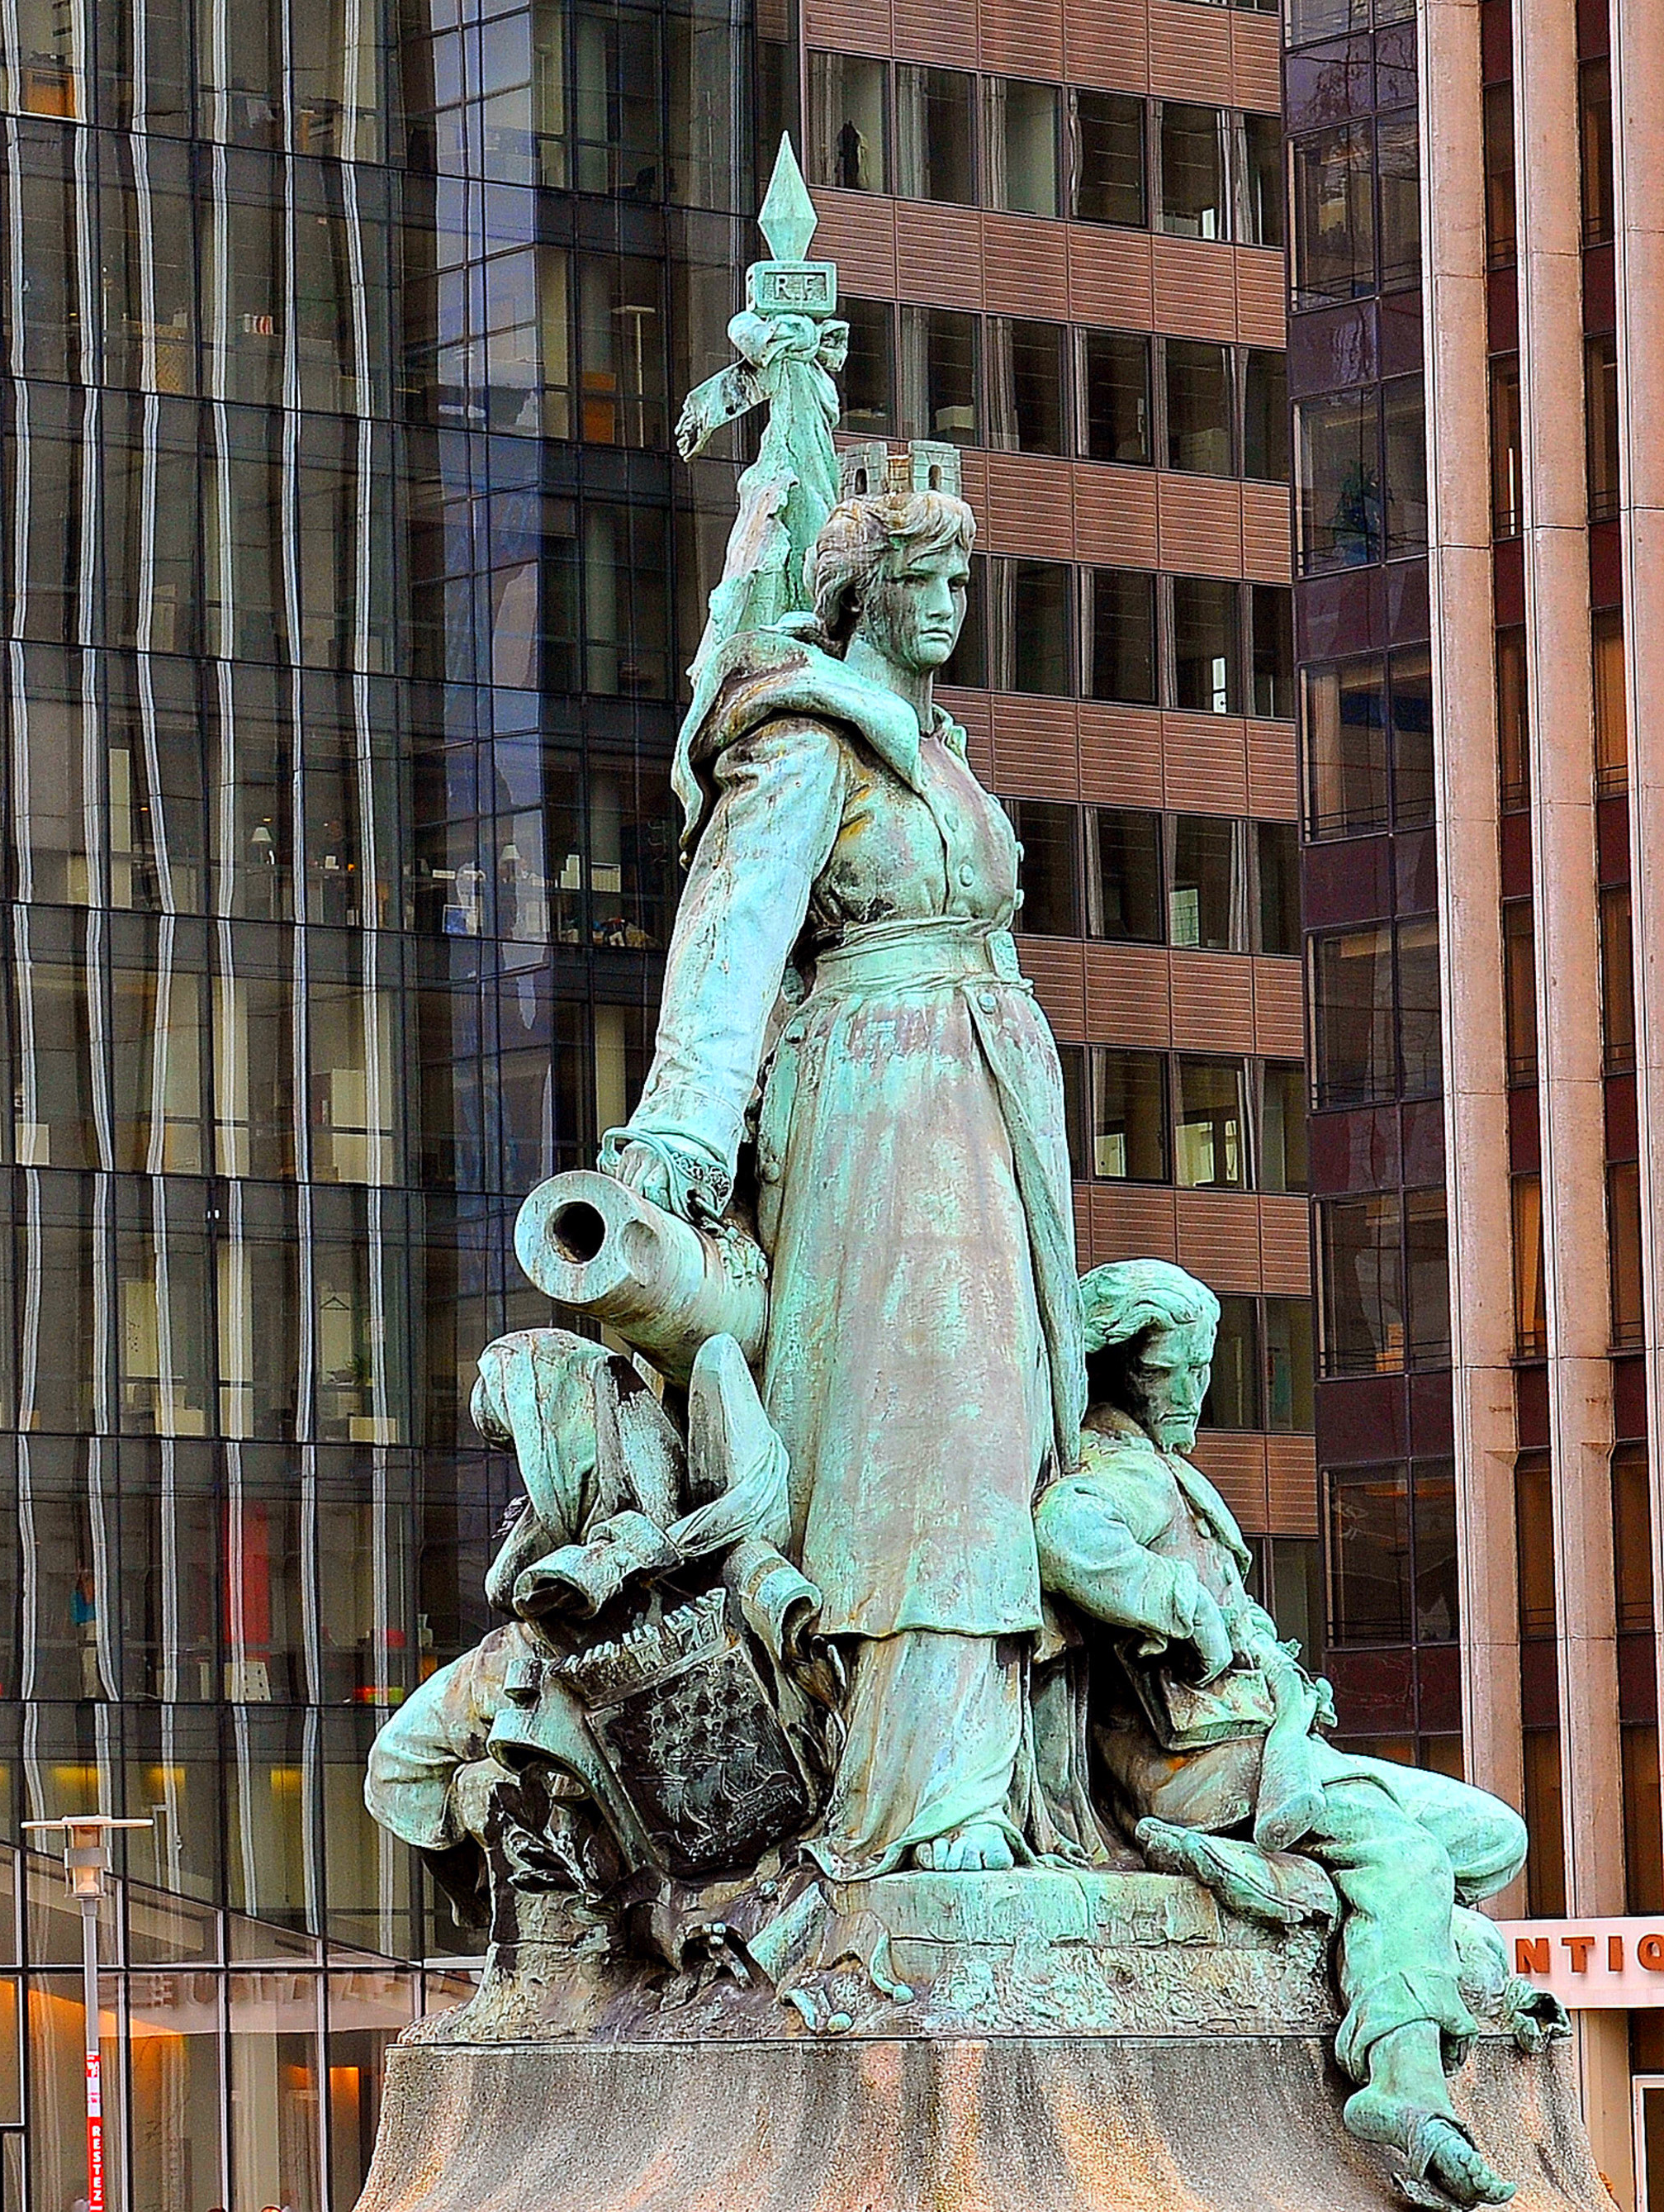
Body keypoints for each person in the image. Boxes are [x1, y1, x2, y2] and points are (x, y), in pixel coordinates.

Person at [601, 468, 1080, 1878]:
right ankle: (917, 1801)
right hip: (875, 1104)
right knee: (920, 1437)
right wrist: (681, 1130)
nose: (944, 609)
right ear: (859, 595)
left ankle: (985, 1786)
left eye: (956, 586)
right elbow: (733, 931)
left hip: (983, 1101)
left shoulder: (940, 754)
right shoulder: (809, 740)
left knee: (999, 1430)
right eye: (919, 583)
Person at [1041, 1260, 1531, 2211]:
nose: (1195, 1391)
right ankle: (1405, 2089)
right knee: (1404, 1854)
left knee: (1491, 1838)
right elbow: (1064, 1534)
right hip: (1201, 1766)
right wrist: (1185, 1610)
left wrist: (1258, 1642)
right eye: (1171, 1371)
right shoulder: (1114, 1473)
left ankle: (1389, 1941)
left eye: (1199, 1367)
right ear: (1118, 1373)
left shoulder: (1171, 1476)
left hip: (1272, 1745)